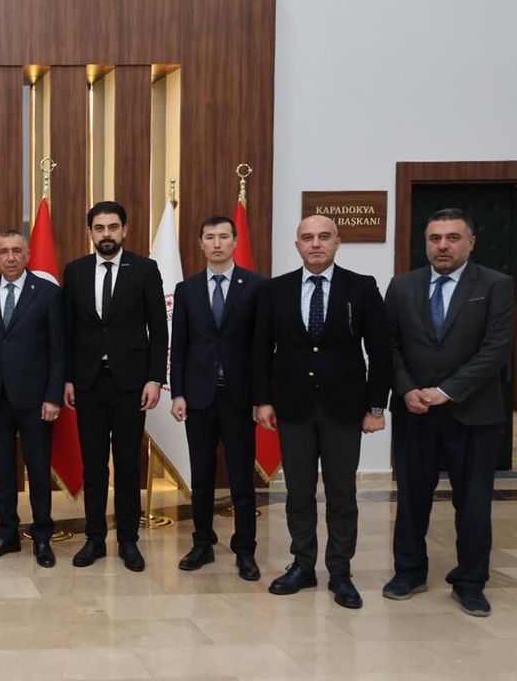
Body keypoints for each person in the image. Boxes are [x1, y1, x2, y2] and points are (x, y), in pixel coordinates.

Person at [252, 215, 391, 609]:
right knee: (298, 492)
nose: (316, 244)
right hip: (291, 407)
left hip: (344, 408)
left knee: (342, 493)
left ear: (337, 242)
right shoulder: (275, 290)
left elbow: (380, 350)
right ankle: (303, 565)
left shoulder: (361, 287)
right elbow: (260, 350)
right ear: (297, 244)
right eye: (307, 237)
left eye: (324, 237)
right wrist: (262, 400)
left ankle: (340, 571)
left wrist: (376, 406)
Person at [383, 208, 513, 617]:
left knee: (473, 503)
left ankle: (470, 582)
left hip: (473, 414)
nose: (443, 245)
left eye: (453, 238)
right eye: (435, 238)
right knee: (411, 498)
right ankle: (409, 572)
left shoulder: (496, 285)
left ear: (470, 242)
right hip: (415, 413)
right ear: (426, 243)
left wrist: (445, 392)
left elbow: (496, 350)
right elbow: (389, 346)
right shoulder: (402, 286)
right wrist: (407, 390)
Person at [62, 200, 167, 573]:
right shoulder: (75, 271)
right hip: (88, 383)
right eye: (99, 228)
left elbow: (159, 328)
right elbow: (67, 330)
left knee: (127, 466)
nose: (106, 234)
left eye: (112, 227)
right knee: (93, 466)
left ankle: (128, 540)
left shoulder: (145, 269)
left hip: (130, 384)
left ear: (125, 230)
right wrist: (68, 378)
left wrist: (155, 378)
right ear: (90, 232)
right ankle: (94, 538)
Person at [169, 215, 264, 581]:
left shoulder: (256, 286)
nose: (218, 243)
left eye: (224, 236)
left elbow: (261, 346)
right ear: (201, 244)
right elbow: (180, 346)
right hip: (199, 398)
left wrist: (261, 397)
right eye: (210, 237)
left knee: (241, 478)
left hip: (239, 397)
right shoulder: (187, 289)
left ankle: (245, 548)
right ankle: (202, 543)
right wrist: (178, 393)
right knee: (202, 476)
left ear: (235, 241)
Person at [0, 229, 64, 568]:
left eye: (16, 251)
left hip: (36, 400)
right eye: (4, 252)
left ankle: (42, 537)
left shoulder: (48, 293)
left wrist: (53, 396)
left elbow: (58, 349)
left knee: (38, 470)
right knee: (0, 469)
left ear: (27, 255)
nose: (10, 257)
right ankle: (7, 534)